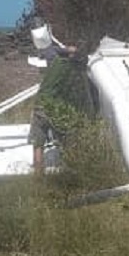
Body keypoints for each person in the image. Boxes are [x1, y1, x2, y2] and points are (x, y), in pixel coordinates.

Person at [29, 40, 96, 174]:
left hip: (41, 107)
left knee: (38, 146)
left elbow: (48, 49)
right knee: (67, 144)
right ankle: (71, 176)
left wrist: (67, 49)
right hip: (57, 111)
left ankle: (38, 179)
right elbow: (83, 104)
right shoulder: (78, 78)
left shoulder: (56, 62)